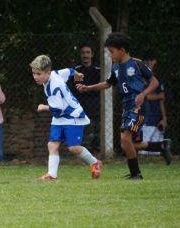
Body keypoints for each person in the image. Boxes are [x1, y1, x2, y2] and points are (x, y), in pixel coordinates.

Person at [77, 32, 159, 180]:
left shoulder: (137, 64)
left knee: (126, 139)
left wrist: (143, 94)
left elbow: (154, 82)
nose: (110, 55)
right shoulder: (115, 67)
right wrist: (88, 88)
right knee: (126, 142)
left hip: (138, 105)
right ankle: (157, 151)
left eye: (112, 51)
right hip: (127, 106)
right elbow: (108, 84)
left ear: (121, 50)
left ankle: (136, 174)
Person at [30, 54, 102, 181]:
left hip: (72, 115)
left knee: (73, 148)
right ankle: (52, 175)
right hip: (59, 117)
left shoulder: (55, 87)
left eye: (38, 74)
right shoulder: (54, 73)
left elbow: (58, 108)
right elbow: (69, 71)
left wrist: (43, 107)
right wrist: (77, 74)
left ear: (47, 73)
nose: (35, 77)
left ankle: (95, 162)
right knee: (52, 145)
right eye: (34, 73)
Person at [134, 52, 172, 165]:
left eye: (151, 59)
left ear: (155, 61)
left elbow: (161, 99)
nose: (148, 62)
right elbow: (145, 96)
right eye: (146, 60)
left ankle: (162, 150)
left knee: (155, 153)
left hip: (156, 118)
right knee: (143, 151)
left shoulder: (156, 80)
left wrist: (164, 118)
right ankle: (161, 147)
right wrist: (153, 96)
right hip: (145, 118)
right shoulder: (139, 78)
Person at [71, 42, 101, 154]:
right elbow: (73, 89)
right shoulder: (76, 70)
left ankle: (96, 152)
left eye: (88, 52)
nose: (85, 55)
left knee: (96, 129)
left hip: (96, 104)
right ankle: (81, 152)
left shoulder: (99, 70)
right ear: (80, 55)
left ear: (92, 55)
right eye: (83, 53)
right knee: (80, 128)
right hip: (80, 104)